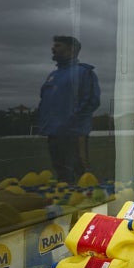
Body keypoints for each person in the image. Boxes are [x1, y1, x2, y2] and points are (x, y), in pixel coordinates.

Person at [38, 35, 101, 184]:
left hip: (73, 133)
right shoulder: (53, 75)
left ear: (71, 49)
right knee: (61, 172)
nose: (53, 49)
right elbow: (45, 101)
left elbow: (92, 100)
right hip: (54, 133)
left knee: (79, 173)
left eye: (58, 46)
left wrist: (72, 121)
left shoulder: (83, 72)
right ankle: (68, 203)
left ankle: (86, 203)